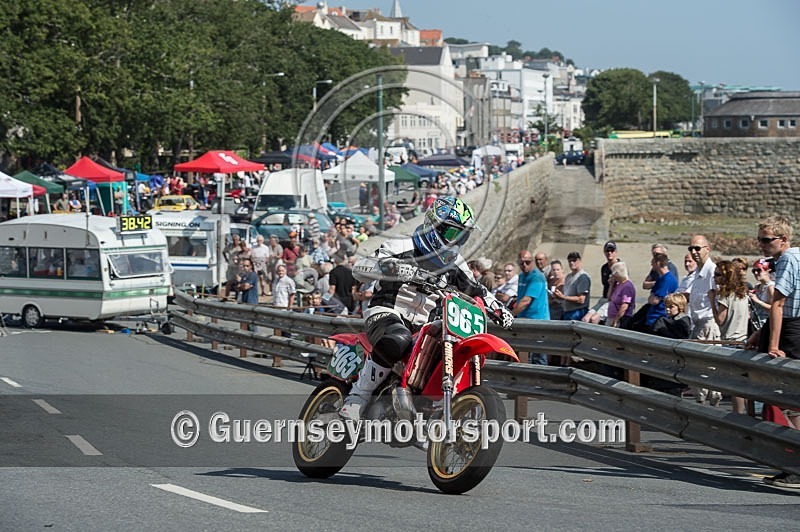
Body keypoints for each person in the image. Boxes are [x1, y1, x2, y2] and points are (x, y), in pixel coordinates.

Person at [340, 196, 514, 420]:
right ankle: (358, 396)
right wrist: (391, 268)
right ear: (435, 226)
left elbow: (477, 289)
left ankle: (430, 410)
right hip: (387, 311)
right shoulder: (401, 245)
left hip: (426, 325)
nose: (457, 241)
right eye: (453, 233)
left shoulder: (457, 264)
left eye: (463, 235)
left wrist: (497, 308)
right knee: (398, 338)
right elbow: (359, 269)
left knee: (448, 350)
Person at [745, 216, 800, 488]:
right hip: (790, 326)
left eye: (767, 240)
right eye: (760, 240)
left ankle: (796, 465)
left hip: (791, 329)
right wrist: (760, 333)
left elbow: (779, 304)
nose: (762, 245)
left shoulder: (789, 259)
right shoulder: (794, 258)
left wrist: (773, 344)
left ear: (783, 239)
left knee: (790, 399)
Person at [687, 234, 722, 406]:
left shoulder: (712, 272)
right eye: (691, 248)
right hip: (697, 325)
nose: (694, 252)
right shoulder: (697, 273)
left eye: (697, 248)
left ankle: (712, 407)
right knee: (696, 369)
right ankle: (701, 406)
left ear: (707, 249)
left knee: (709, 369)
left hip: (708, 325)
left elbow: (719, 298)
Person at [512, 250, 550, 365]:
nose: (524, 265)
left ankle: (541, 379)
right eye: (522, 262)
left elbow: (526, 301)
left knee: (538, 355)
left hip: (538, 321)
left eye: (527, 262)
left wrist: (510, 315)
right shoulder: (522, 276)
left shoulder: (537, 277)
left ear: (532, 261)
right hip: (524, 319)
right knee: (524, 352)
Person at [644, 253, 679, 331]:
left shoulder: (667, 280)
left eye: (653, 263)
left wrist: (652, 297)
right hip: (652, 318)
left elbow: (654, 300)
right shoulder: (660, 279)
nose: (652, 265)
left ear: (658, 263)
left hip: (659, 319)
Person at [270, 264, 296, 368]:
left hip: (284, 307)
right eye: (279, 270)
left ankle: (288, 350)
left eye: (282, 270)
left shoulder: (288, 281)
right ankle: (280, 350)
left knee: (286, 330)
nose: (280, 272)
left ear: (285, 271)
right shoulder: (276, 281)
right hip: (277, 307)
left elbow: (292, 294)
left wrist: (289, 307)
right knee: (278, 330)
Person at [555, 251, 591, 321]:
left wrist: (563, 297)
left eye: (574, 260)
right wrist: (558, 296)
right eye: (570, 261)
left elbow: (581, 299)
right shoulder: (568, 276)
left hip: (577, 312)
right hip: (566, 312)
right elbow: (566, 295)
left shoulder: (583, 277)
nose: (571, 263)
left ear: (579, 261)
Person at [606, 262, 636, 329]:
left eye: (613, 274)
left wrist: (616, 320)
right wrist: (611, 284)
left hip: (621, 320)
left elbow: (624, 306)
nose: (612, 276)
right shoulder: (618, 284)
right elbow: (609, 298)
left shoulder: (627, 287)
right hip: (611, 316)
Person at [749, 258, 775, 325]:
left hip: (766, 322)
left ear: (767, 271)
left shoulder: (770, 287)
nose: (756, 273)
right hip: (756, 322)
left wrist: (757, 301)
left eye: (758, 270)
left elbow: (774, 308)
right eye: (753, 271)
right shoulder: (757, 286)